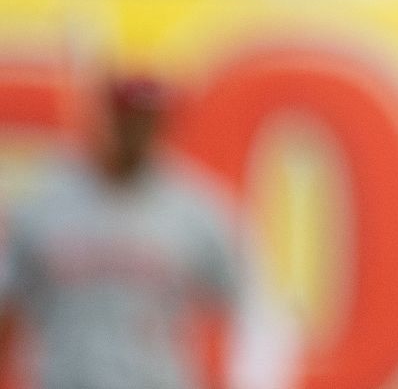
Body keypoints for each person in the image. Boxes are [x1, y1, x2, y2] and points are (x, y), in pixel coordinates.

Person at [0, 75, 245, 389]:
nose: (136, 134)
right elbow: (8, 306)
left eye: (146, 122)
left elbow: (251, 302)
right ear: (103, 118)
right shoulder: (44, 202)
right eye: (127, 120)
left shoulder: (194, 209)